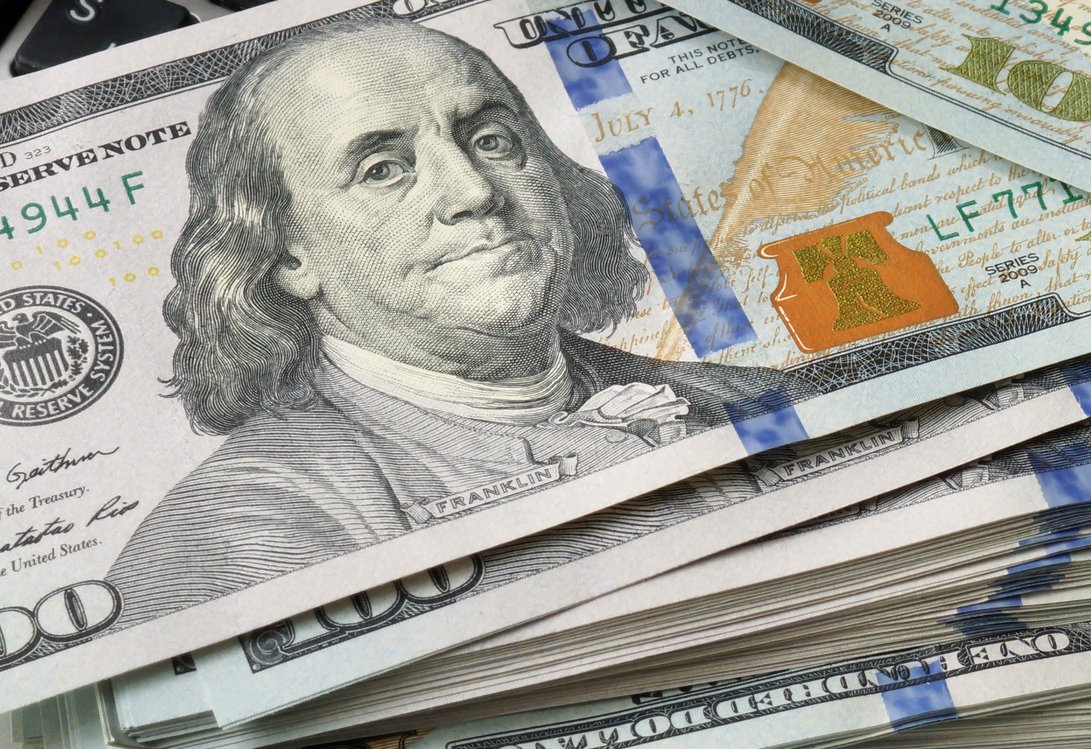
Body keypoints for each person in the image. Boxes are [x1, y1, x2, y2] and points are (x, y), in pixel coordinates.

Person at [110, 17, 783, 622]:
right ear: (287, 253)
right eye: (381, 169)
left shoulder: (761, 400)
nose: (473, 191)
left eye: (491, 140)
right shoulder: (238, 531)